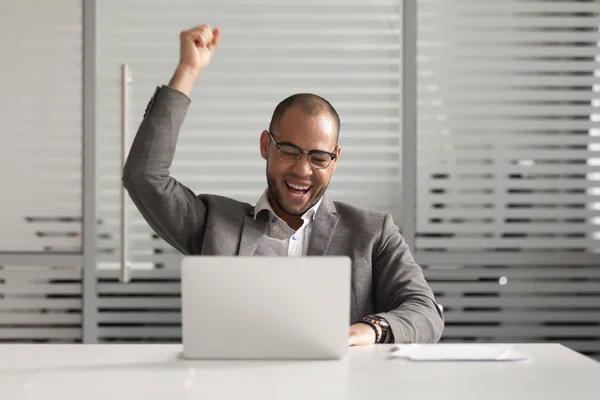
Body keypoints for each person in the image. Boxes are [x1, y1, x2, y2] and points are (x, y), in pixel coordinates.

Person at [123, 24, 444, 346]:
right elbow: (144, 177)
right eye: (289, 151)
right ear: (266, 145)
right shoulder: (215, 225)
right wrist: (188, 70)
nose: (302, 170)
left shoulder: (373, 233)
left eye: (319, 157)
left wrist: (369, 330)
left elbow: (425, 313)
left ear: (335, 159)